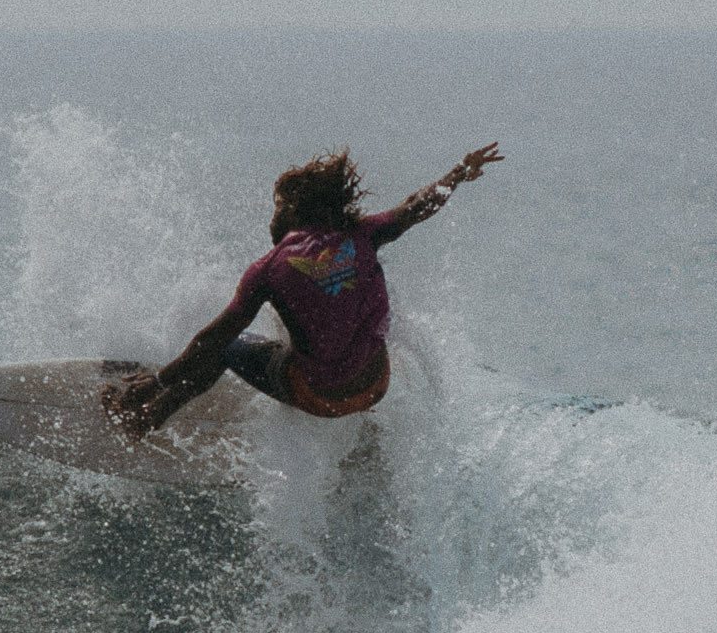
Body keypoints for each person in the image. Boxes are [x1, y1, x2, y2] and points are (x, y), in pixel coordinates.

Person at [105, 142, 503, 436]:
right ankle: (369, 439)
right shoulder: (363, 235)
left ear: (296, 212)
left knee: (228, 346)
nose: (274, 213)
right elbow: (418, 204)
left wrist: (160, 378)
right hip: (376, 384)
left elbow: (212, 339)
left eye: (279, 205)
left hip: (319, 397)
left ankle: (144, 417)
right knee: (365, 297)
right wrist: (459, 173)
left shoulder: (267, 269)